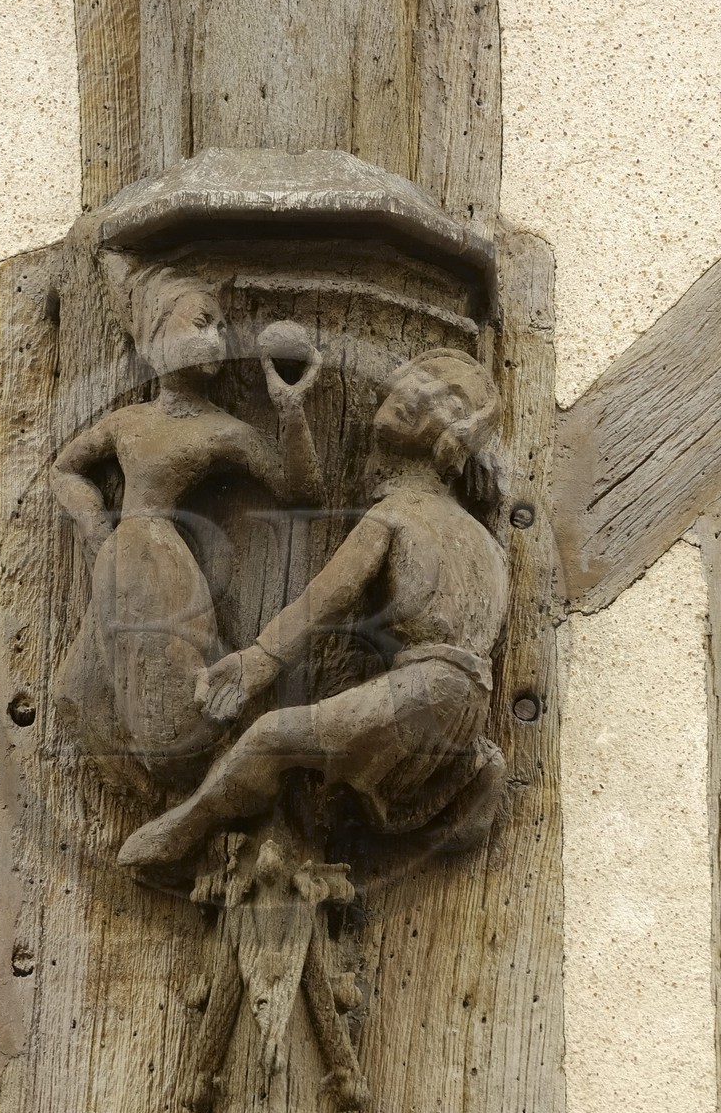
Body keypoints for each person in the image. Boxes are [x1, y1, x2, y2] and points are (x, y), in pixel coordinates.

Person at [118, 347, 508, 865]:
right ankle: (472, 782)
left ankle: (182, 831)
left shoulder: (395, 516)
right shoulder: (486, 542)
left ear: (458, 437)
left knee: (271, 735)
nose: (420, 392)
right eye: (423, 374)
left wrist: (256, 662)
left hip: (427, 688)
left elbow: (326, 599)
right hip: (463, 705)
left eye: (448, 398)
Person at [52, 262, 322, 795]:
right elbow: (65, 468)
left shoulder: (220, 431)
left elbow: (300, 492)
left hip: (160, 563)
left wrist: (291, 411)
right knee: (73, 695)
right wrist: (92, 525)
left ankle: (207, 788)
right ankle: (154, 793)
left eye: (222, 327)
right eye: (202, 322)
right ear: (155, 333)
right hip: (119, 557)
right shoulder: (128, 423)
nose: (218, 337)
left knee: (181, 692)